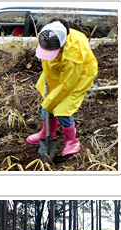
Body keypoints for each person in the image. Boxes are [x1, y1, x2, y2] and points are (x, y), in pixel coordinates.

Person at [26, 20, 98, 156]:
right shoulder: (50, 37)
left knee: (63, 109)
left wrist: (49, 103)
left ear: (63, 44)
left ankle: (72, 142)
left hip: (77, 78)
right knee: (48, 104)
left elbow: (66, 86)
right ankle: (47, 133)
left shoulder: (73, 57)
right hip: (57, 73)